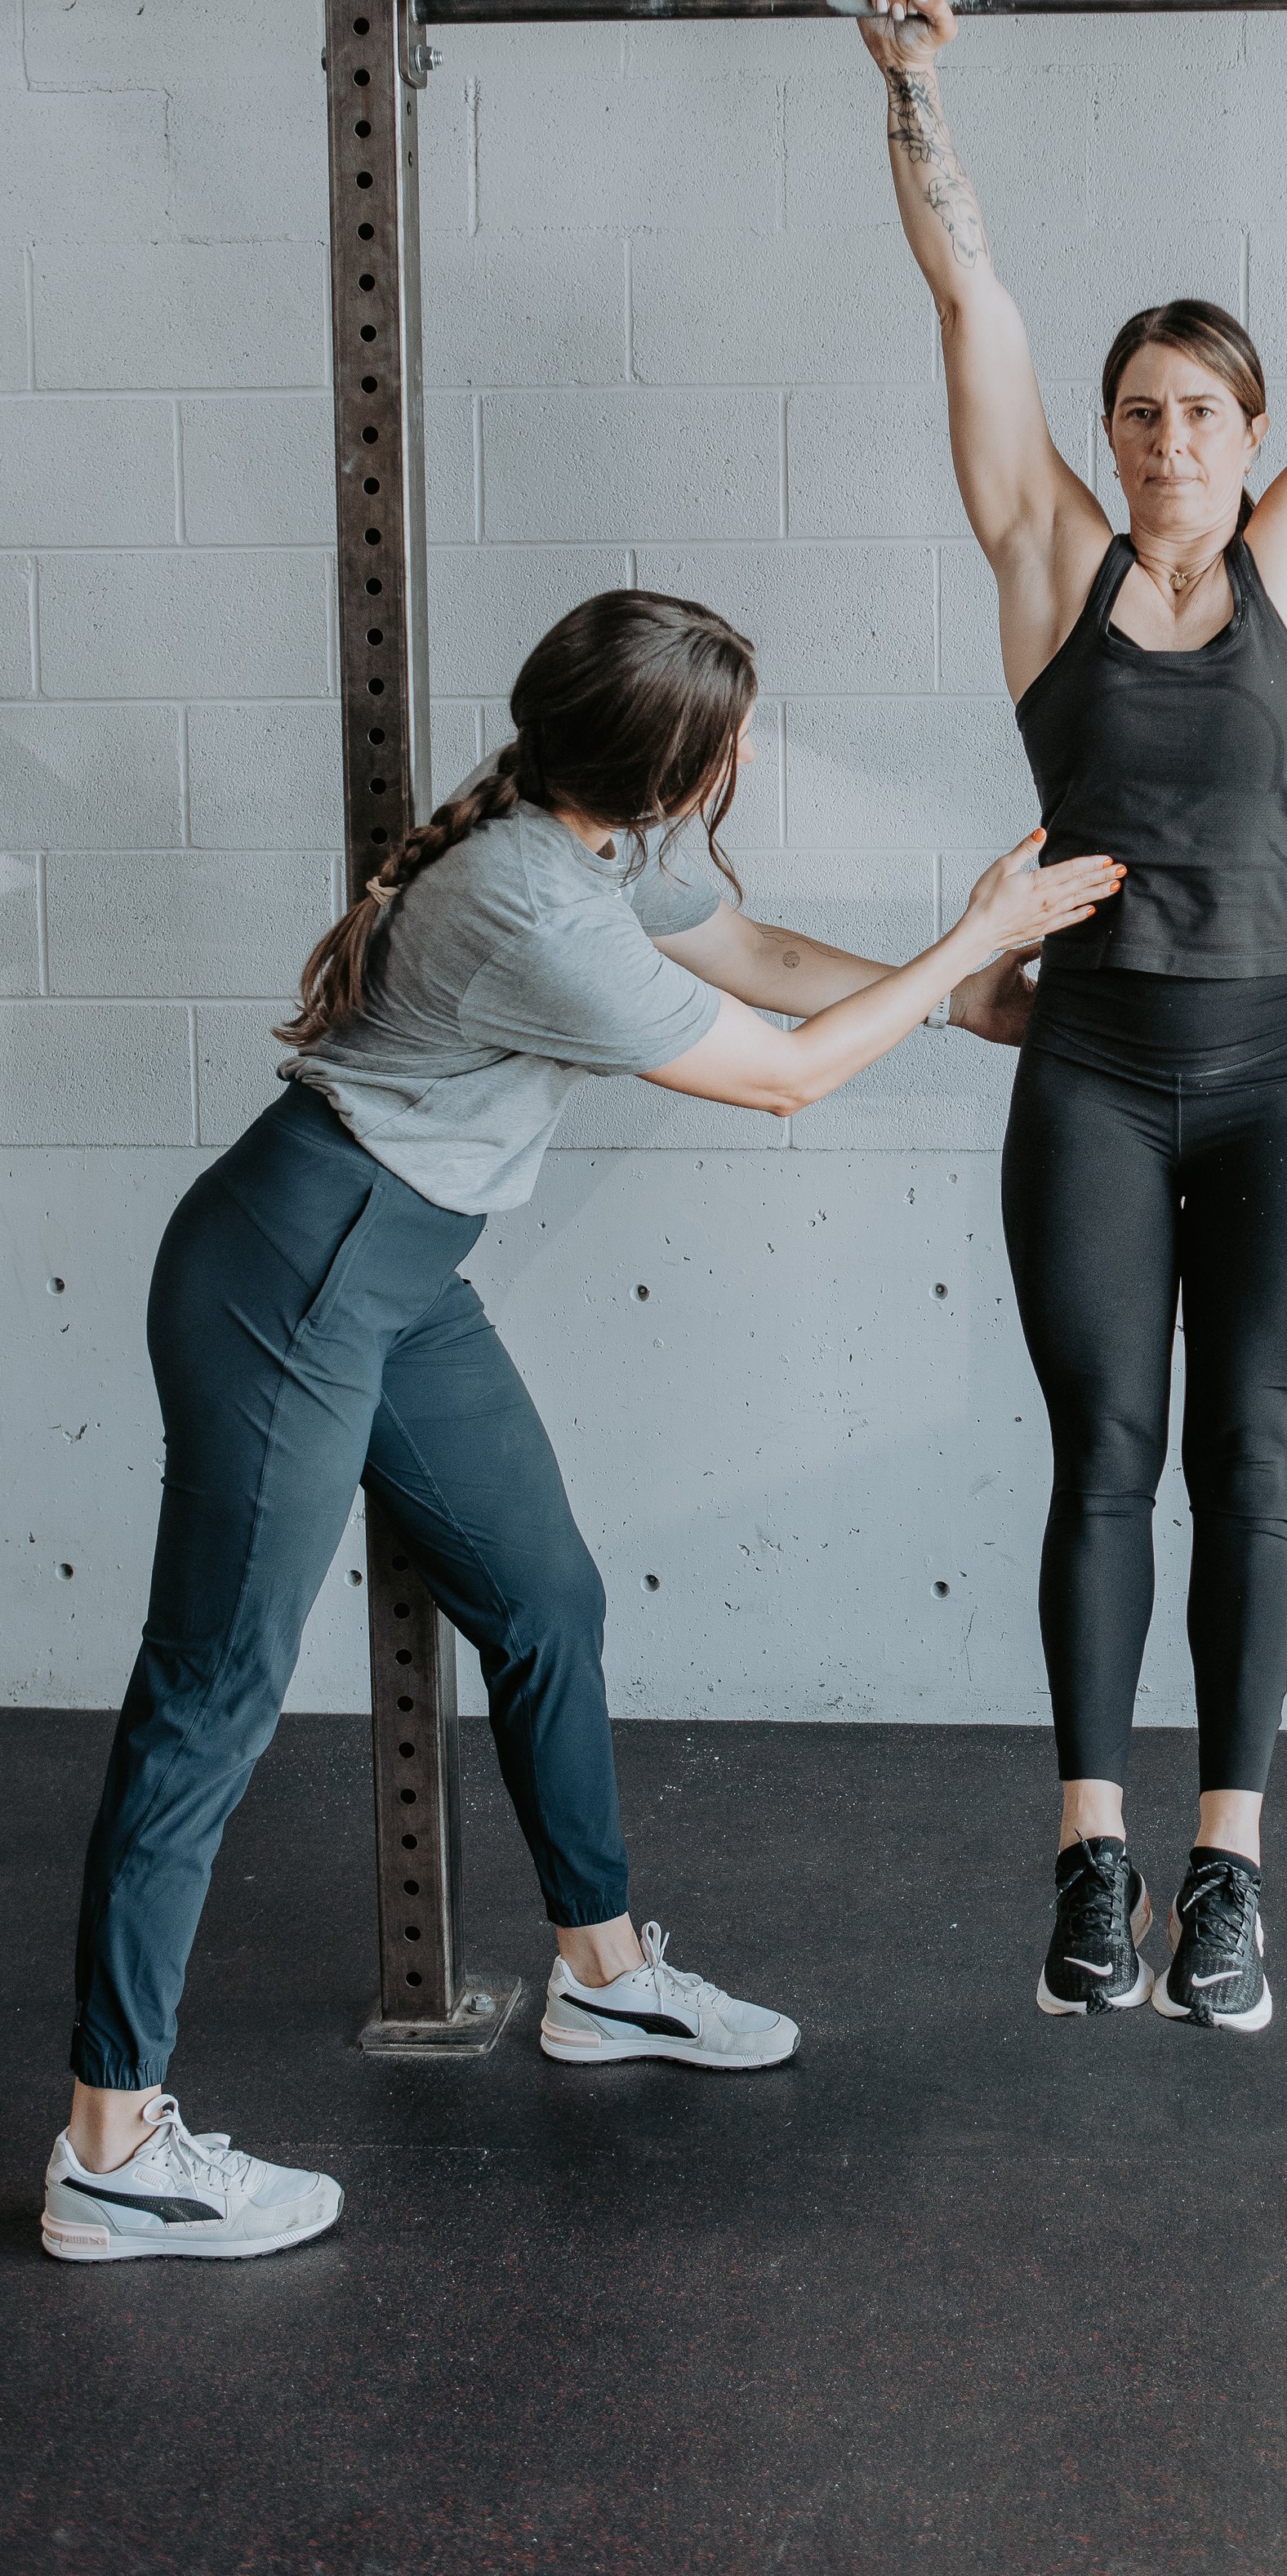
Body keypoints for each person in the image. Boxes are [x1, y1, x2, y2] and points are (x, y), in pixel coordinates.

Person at [43, 587, 1119, 2262]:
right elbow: (779, 1074)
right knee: (212, 1695)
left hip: (396, 1266)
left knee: (545, 1599)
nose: (752, 751)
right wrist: (968, 947)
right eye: (736, 734)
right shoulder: (526, 903)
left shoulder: (599, 841)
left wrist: (975, 1004)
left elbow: (750, 961)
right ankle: (111, 2145)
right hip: (297, 1273)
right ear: (676, 768)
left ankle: (605, 1981)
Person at [851, 0, 1287, 2033]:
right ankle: (1088, 1856)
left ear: (1251, 435)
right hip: (1086, 1071)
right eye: (1139, 410)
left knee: (1248, 1455)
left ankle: (1224, 1874)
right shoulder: (1046, 563)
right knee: (1099, 1457)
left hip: (1276, 1080)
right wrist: (912, 89)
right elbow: (971, 304)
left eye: (1202, 411)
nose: (1167, 436)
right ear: (1110, 434)